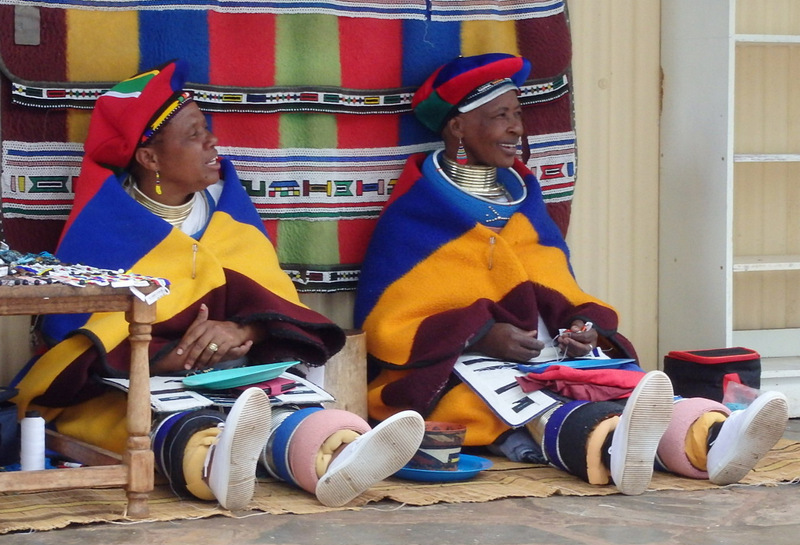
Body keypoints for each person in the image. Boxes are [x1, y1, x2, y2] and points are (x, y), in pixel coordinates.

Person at [354, 53, 789, 495]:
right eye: (500, 115)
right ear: (457, 128)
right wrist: (482, 336)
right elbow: (388, 325)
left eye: (518, 114)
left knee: (624, 387)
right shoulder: (416, 216)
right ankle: (613, 448)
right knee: (532, 405)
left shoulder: (525, 203)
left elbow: (559, 287)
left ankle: (713, 438)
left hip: (550, 355)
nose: (516, 128)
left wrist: (584, 327)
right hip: (461, 367)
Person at [12, 60, 424, 510]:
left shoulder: (228, 211)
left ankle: (337, 456)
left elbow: (275, 300)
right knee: (168, 425)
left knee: (286, 409)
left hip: (232, 374)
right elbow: (74, 339)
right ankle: (213, 467)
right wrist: (160, 358)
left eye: (207, 129)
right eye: (193, 135)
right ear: (149, 158)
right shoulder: (105, 227)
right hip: (131, 388)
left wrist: (245, 331)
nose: (212, 143)